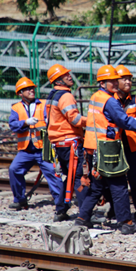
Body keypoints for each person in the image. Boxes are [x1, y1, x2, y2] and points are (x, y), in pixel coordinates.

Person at [75, 65, 136, 233]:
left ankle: (82, 218)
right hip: (107, 148)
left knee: (97, 186)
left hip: (93, 147)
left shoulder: (96, 97)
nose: (116, 84)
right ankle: (126, 223)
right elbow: (125, 121)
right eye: (112, 81)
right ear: (102, 83)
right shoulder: (110, 101)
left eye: (117, 80)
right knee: (119, 186)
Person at [7, 77, 61, 210]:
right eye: (27, 89)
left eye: (32, 88)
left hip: (43, 149)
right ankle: (20, 200)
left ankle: (61, 203)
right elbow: (13, 125)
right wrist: (25, 123)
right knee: (14, 169)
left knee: (53, 173)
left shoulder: (43, 104)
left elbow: (53, 120)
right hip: (26, 150)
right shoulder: (16, 108)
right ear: (20, 93)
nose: (31, 90)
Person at [44, 63, 88, 222]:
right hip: (71, 143)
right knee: (79, 178)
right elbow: (75, 119)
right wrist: (92, 121)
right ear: (58, 80)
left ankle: (61, 210)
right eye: (65, 75)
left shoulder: (52, 96)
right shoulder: (66, 96)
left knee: (67, 177)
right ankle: (85, 214)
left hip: (60, 143)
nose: (69, 76)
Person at [111, 64, 136, 225]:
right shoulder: (110, 99)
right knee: (114, 181)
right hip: (114, 145)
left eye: (129, 79)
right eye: (124, 79)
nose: (128, 82)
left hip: (132, 146)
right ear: (116, 81)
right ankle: (114, 210)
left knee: (135, 181)